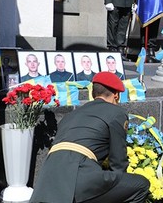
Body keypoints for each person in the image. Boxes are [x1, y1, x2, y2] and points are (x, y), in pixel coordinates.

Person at [30, 72, 150, 203]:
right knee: (141, 185)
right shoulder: (116, 112)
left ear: (93, 94)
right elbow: (118, 162)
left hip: (46, 182)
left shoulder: (71, 115)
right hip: (80, 178)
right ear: (116, 94)